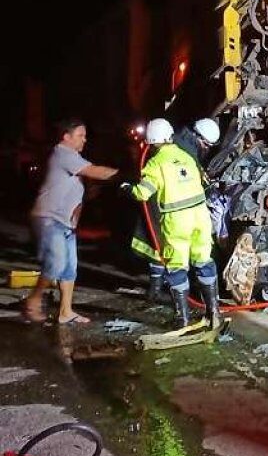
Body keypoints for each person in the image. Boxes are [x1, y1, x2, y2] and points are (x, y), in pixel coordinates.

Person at [124, 118, 220, 329]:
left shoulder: (155, 163)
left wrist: (127, 188)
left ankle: (183, 318)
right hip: (200, 218)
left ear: (151, 141)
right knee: (204, 261)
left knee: (176, 268)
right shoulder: (188, 156)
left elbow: (143, 193)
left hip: (177, 221)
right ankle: (214, 313)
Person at [22, 118, 119, 324]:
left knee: (69, 268)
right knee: (56, 264)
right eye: (80, 136)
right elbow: (95, 171)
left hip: (65, 223)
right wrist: (124, 176)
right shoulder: (63, 154)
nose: (85, 140)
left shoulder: (72, 158)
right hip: (49, 218)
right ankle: (34, 300)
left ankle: (65, 312)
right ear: (66, 137)